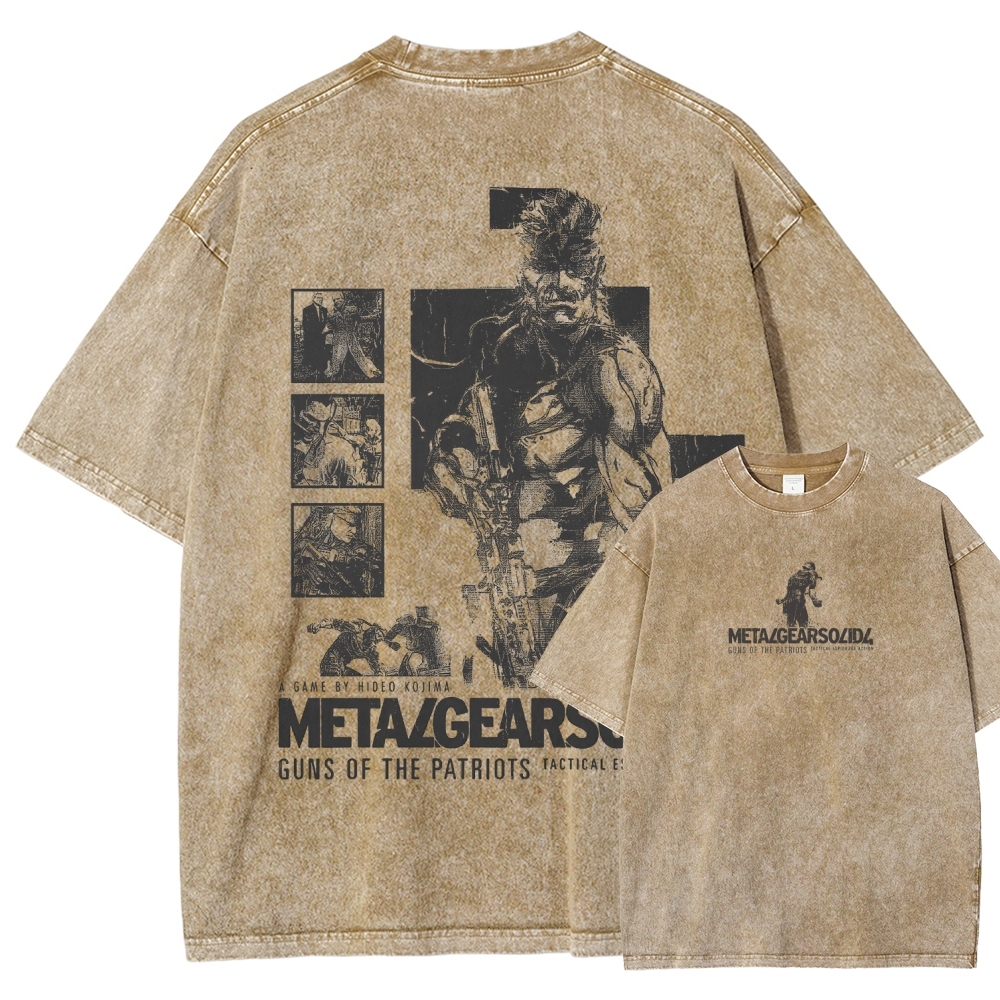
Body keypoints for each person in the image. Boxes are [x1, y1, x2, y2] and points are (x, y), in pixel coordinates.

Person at [424, 190, 665, 684]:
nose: (559, 286)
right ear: (524, 276)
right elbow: (470, 420)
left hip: (592, 589)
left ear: (595, 274)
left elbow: (641, 511)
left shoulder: (617, 371)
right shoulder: (505, 347)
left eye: (573, 270)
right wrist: (454, 456)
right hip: (513, 583)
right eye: (545, 269)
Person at [292, 505, 381, 597]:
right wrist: (304, 569)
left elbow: (378, 563)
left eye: (356, 526)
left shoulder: (356, 547)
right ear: (334, 518)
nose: (354, 531)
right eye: (349, 524)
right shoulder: (305, 540)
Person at [324, 294, 381, 380]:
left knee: (360, 356)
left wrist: (373, 317)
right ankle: (333, 373)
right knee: (337, 358)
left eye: (338, 299)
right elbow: (329, 326)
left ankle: (372, 371)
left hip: (351, 337)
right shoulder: (331, 314)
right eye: (334, 300)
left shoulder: (352, 310)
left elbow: (359, 319)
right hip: (339, 338)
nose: (336, 301)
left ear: (343, 299)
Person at [777, 562, 823, 627]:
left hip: (789, 602)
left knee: (791, 624)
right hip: (799, 601)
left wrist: (782, 600)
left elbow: (789, 592)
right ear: (811, 568)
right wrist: (815, 600)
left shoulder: (793, 576)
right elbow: (811, 590)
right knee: (804, 623)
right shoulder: (811, 574)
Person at [300, 292, 329, 377]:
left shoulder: (324, 310)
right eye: (318, 298)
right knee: (312, 355)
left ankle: (321, 370)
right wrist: (319, 332)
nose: (320, 300)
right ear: (313, 299)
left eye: (321, 298)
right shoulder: (307, 310)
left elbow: (326, 322)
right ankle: (312, 370)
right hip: (312, 337)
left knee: (322, 354)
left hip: (322, 336)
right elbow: (307, 326)